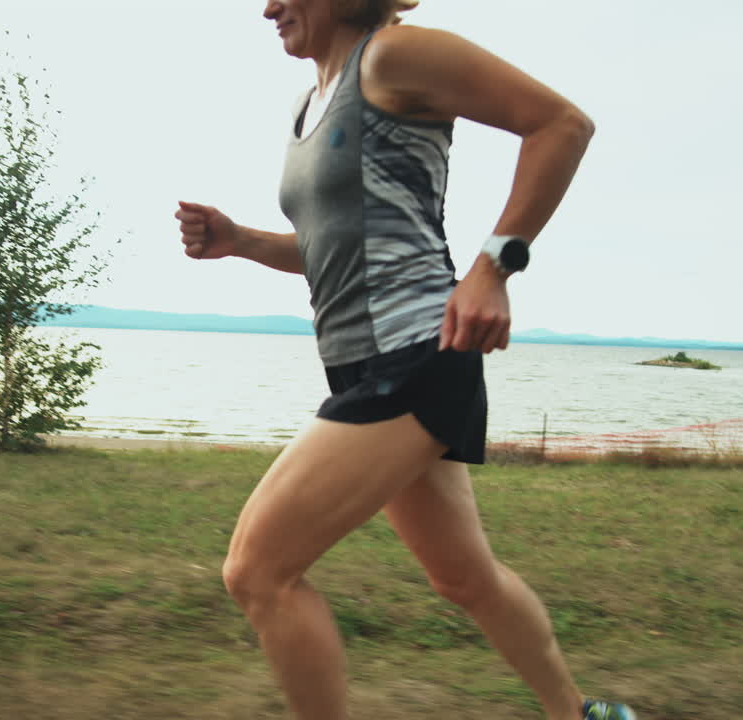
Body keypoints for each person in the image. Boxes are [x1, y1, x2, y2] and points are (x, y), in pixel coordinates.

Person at [175, 1, 635, 719]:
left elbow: (562, 124)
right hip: (367, 364)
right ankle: (580, 714)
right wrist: (241, 241)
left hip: (415, 354)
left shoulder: (392, 57)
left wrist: (493, 268)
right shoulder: (308, 106)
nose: (268, 7)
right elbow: (339, 245)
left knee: (258, 571)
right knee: (464, 576)